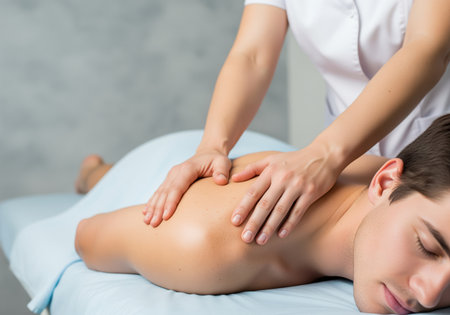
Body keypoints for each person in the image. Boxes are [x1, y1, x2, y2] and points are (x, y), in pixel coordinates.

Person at [139, 1, 450, 246]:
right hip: (344, 157)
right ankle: (95, 173)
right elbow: (252, 54)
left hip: (436, 157)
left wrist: (326, 154)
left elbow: (427, 47)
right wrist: (212, 145)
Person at [75, 114, 450, 314]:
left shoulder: (413, 190)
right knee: (104, 179)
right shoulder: (203, 245)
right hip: (182, 169)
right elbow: (87, 236)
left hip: (282, 157)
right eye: (427, 247)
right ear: (384, 185)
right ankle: (94, 172)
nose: (431, 296)